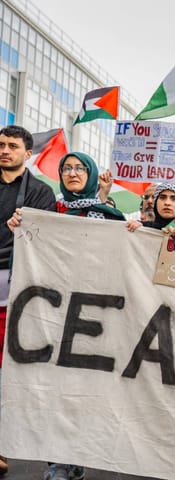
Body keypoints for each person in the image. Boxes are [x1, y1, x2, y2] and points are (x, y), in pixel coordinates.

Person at [8, 150, 126, 480]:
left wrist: (134, 229)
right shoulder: (47, 210)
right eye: (67, 168)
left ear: (89, 173)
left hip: (91, 314)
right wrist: (20, 226)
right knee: (51, 387)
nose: (73, 173)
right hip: (50, 310)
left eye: (79, 168)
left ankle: (73, 456)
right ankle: (58, 460)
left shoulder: (106, 215)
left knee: (80, 389)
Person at [0, 125, 56, 476]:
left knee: (7, 373)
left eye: (12, 146)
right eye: (1, 145)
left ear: (28, 153)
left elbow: (46, 238)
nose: (4, 150)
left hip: (13, 286)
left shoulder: (39, 192)